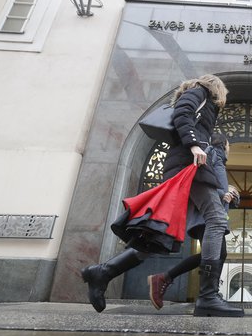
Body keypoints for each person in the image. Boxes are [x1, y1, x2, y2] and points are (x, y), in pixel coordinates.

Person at [81, 74, 243, 317]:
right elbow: (183, 115)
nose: (223, 99)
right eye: (224, 94)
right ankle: (208, 296)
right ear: (217, 88)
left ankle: (105, 271)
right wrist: (195, 145)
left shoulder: (199, 98)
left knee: (161, 234)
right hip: (191, 166)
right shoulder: (201, 91)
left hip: (184, 166)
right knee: (217, 220)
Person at [147, 132, 242, 316]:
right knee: (218, 253)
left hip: (208, 216)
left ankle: (207, 295)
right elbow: (204, 181)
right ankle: (195, 291)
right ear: (223, 144)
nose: (230, 149)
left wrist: (228, 192)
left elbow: (215, 186)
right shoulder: (214, 153)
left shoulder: (216, 158)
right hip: (207, 216)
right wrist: (224, 191)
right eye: (229, 145)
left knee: (217, 253)